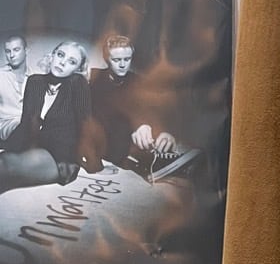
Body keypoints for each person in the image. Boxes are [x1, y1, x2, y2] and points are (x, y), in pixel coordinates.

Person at [84, 34, 191, 179]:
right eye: (116, 60)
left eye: (127, 59)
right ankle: (150, 160)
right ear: (106, 58)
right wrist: (137, 125)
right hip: (102, 139)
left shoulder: (138, 82)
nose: (123, 65)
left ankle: (159, 157)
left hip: (128, 141)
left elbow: (154, 111)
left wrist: (164, 132)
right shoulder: (93, 77)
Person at [0, 40, 92, 192]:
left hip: (60, 157)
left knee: (5, 165)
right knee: (4, 160)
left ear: (78, 69)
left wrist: (95, 165)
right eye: (60, 55)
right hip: (33, 148)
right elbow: (26, 124)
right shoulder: (35, 81)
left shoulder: (78, 83)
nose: (62, 62)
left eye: (72, 61)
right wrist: (7, 147)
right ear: (52, 55)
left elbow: (86, 125)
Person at [0, 33, 31, 140]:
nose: (11, 55)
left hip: (29, 124)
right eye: (8, 51)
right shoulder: (1, 75)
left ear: (26, 51)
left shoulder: (35, 77)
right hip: (6, 125)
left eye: (16, 50)